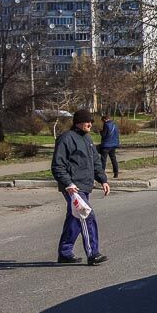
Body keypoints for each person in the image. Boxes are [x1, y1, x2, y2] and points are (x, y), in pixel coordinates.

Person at [52, 109, 110, 265]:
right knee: (86, 215)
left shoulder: (87, 139)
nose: (90, 124)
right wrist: (68, 184)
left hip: (85, 185)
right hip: (73, 187)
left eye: (91, 121)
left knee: (75, 219)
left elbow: (95, 162)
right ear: (78, 122)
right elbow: (58, 166)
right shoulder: (66, 139)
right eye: (87, 121)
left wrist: (103, 179)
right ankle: (93, 254)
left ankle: (64, 253)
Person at [99, 112, 120, 179]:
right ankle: (116, 173)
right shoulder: (115, 124)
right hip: (113, 144)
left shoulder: (106, 125)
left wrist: (101, 132)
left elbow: (104, 135)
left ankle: (102, 174)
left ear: (104, 119)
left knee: (103, 160)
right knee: (113, 159)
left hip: (106, 145)